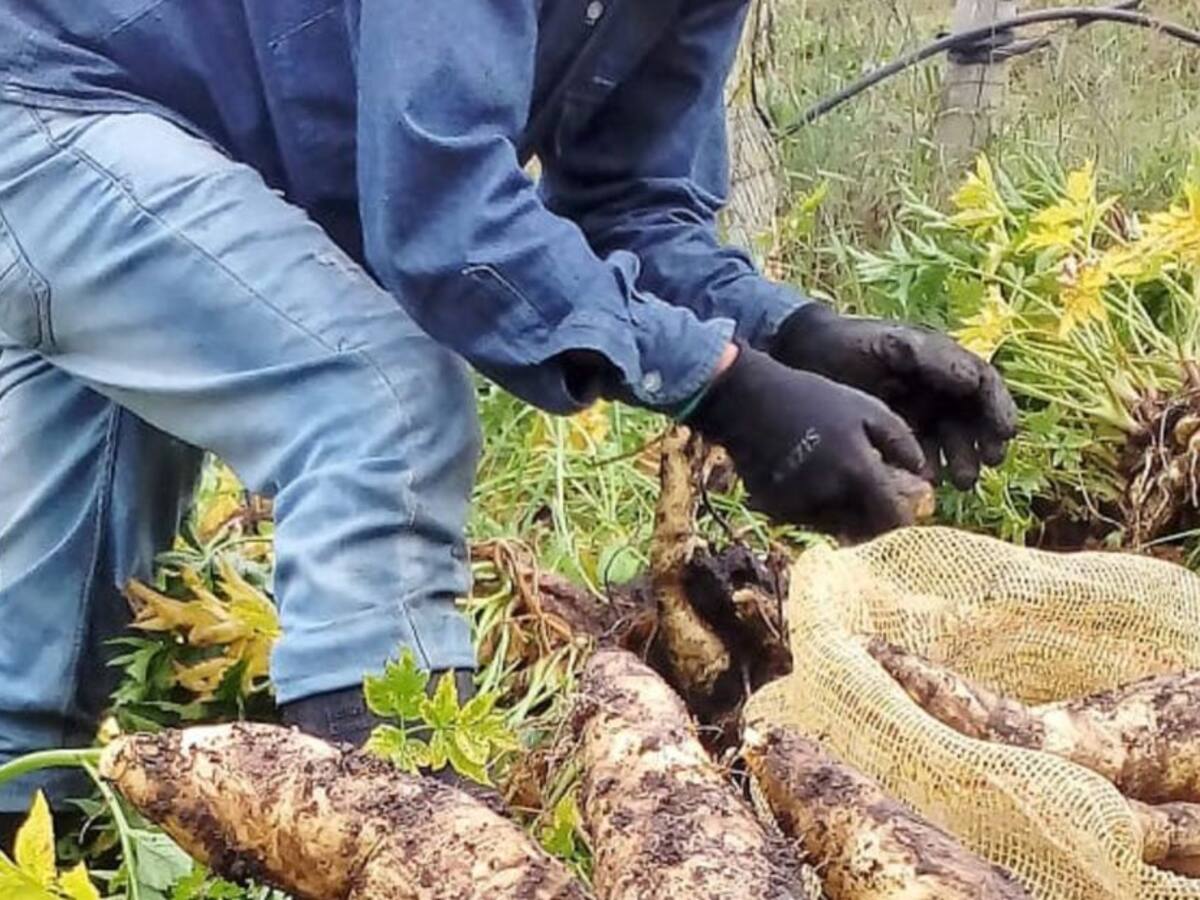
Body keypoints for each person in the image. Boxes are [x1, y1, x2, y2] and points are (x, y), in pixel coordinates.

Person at [0, 0, 1016, 837]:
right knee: (379, 403)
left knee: (36, 680)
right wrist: (728, 390)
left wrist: (795, 335)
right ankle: (412, 844)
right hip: (49, 98)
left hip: (140, 121)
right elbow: (448, 220)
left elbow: (633, 206)